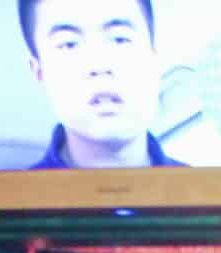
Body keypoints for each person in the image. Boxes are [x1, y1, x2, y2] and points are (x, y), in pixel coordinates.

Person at [21, 0, 186, 169]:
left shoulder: (206, 191)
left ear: (153, 59)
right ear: (39, 72)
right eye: (69, 45)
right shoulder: (11, 195)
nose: (99, 66)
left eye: (120, 39)